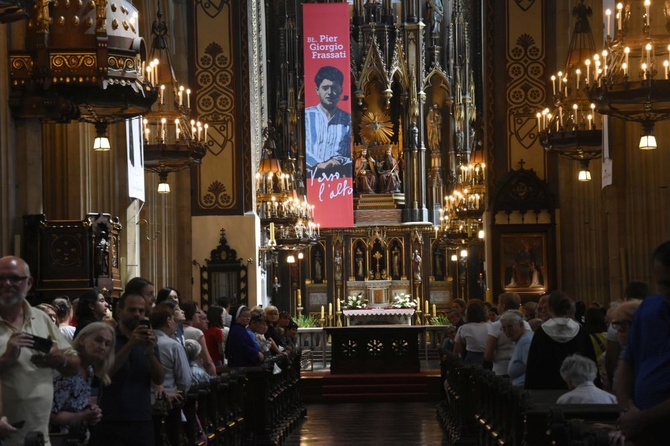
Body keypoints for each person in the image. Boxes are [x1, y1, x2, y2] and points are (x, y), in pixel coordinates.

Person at [0, 256, 80, 446]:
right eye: (0, 279)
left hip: (38, 435)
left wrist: (60, 360)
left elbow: (74, 365)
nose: (6, 284)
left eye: (14, 278)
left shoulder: (40, 318)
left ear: (29, 283)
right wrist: (6, 359)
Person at [89, 292, 165, 446]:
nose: (137, 315)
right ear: (119, 311)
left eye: (141, 311)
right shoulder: (107, 339)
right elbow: (104, 375)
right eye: (132, 310)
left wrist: (149, 353)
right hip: (112, 419)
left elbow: (159, 378)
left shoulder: (148, 340)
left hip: (142, 418)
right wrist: (130, 344)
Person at [615, 241, 670, 444]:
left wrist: (642, 418)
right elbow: (627, 362)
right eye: (663, 284)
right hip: (642, 430)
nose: (666, 291)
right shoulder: (648, 310)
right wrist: (628, 408)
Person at [50, 322, 115, 441]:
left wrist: (91, 411)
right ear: (82, 340)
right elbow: (50, 415)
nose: (102, 347)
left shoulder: (89, 370)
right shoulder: (67, 370)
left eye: (107, 344)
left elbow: (73, 404)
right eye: (98, 340)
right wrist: (82, 416)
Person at [525, 291, 598, 389]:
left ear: (550, 309)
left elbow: (533, 364)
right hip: (577, 384)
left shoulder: (541, 332)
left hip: (547, 387)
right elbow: (589, 359)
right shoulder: (580, 331)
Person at [149, 305, 191, 446]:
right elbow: (185, 380)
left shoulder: (143, 342)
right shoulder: (173, 345)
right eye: (173, 319)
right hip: (170, 405)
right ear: (168, 321)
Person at [304, 66, 352, 179]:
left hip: (338, 178)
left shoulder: (348, 119)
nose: (330, 92)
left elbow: (348, 152)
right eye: (325, 88)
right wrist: (318, 164)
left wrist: (336, 160)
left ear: (341, 89)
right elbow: (301, 148)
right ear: (317, 90)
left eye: (334, 88)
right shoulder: (306, 116)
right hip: (311, 176)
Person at [484, 293, 528, 376]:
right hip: (522, 371)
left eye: (498, 303)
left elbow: (488, 355)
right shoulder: (526, 324)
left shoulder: (496, 325)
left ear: (503, 306)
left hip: (501, 370)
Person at [181, 302, 216, 375]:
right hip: (196, 372)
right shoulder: (196, 332)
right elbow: (208, 361)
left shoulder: (176, 330)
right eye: (197, 312)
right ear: (191, 313)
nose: (199, 315)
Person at [501, 310, 532, 387]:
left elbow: (532, 371)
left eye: (510, 327)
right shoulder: (521, 340)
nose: (507, 331)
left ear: (521, 325)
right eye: (504, 328)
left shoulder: (526, 342)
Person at [453, 299, 489, 365]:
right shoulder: (491, 326)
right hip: (488, 358)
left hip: (472, 359)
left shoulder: (464, 328)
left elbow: (456, 350)